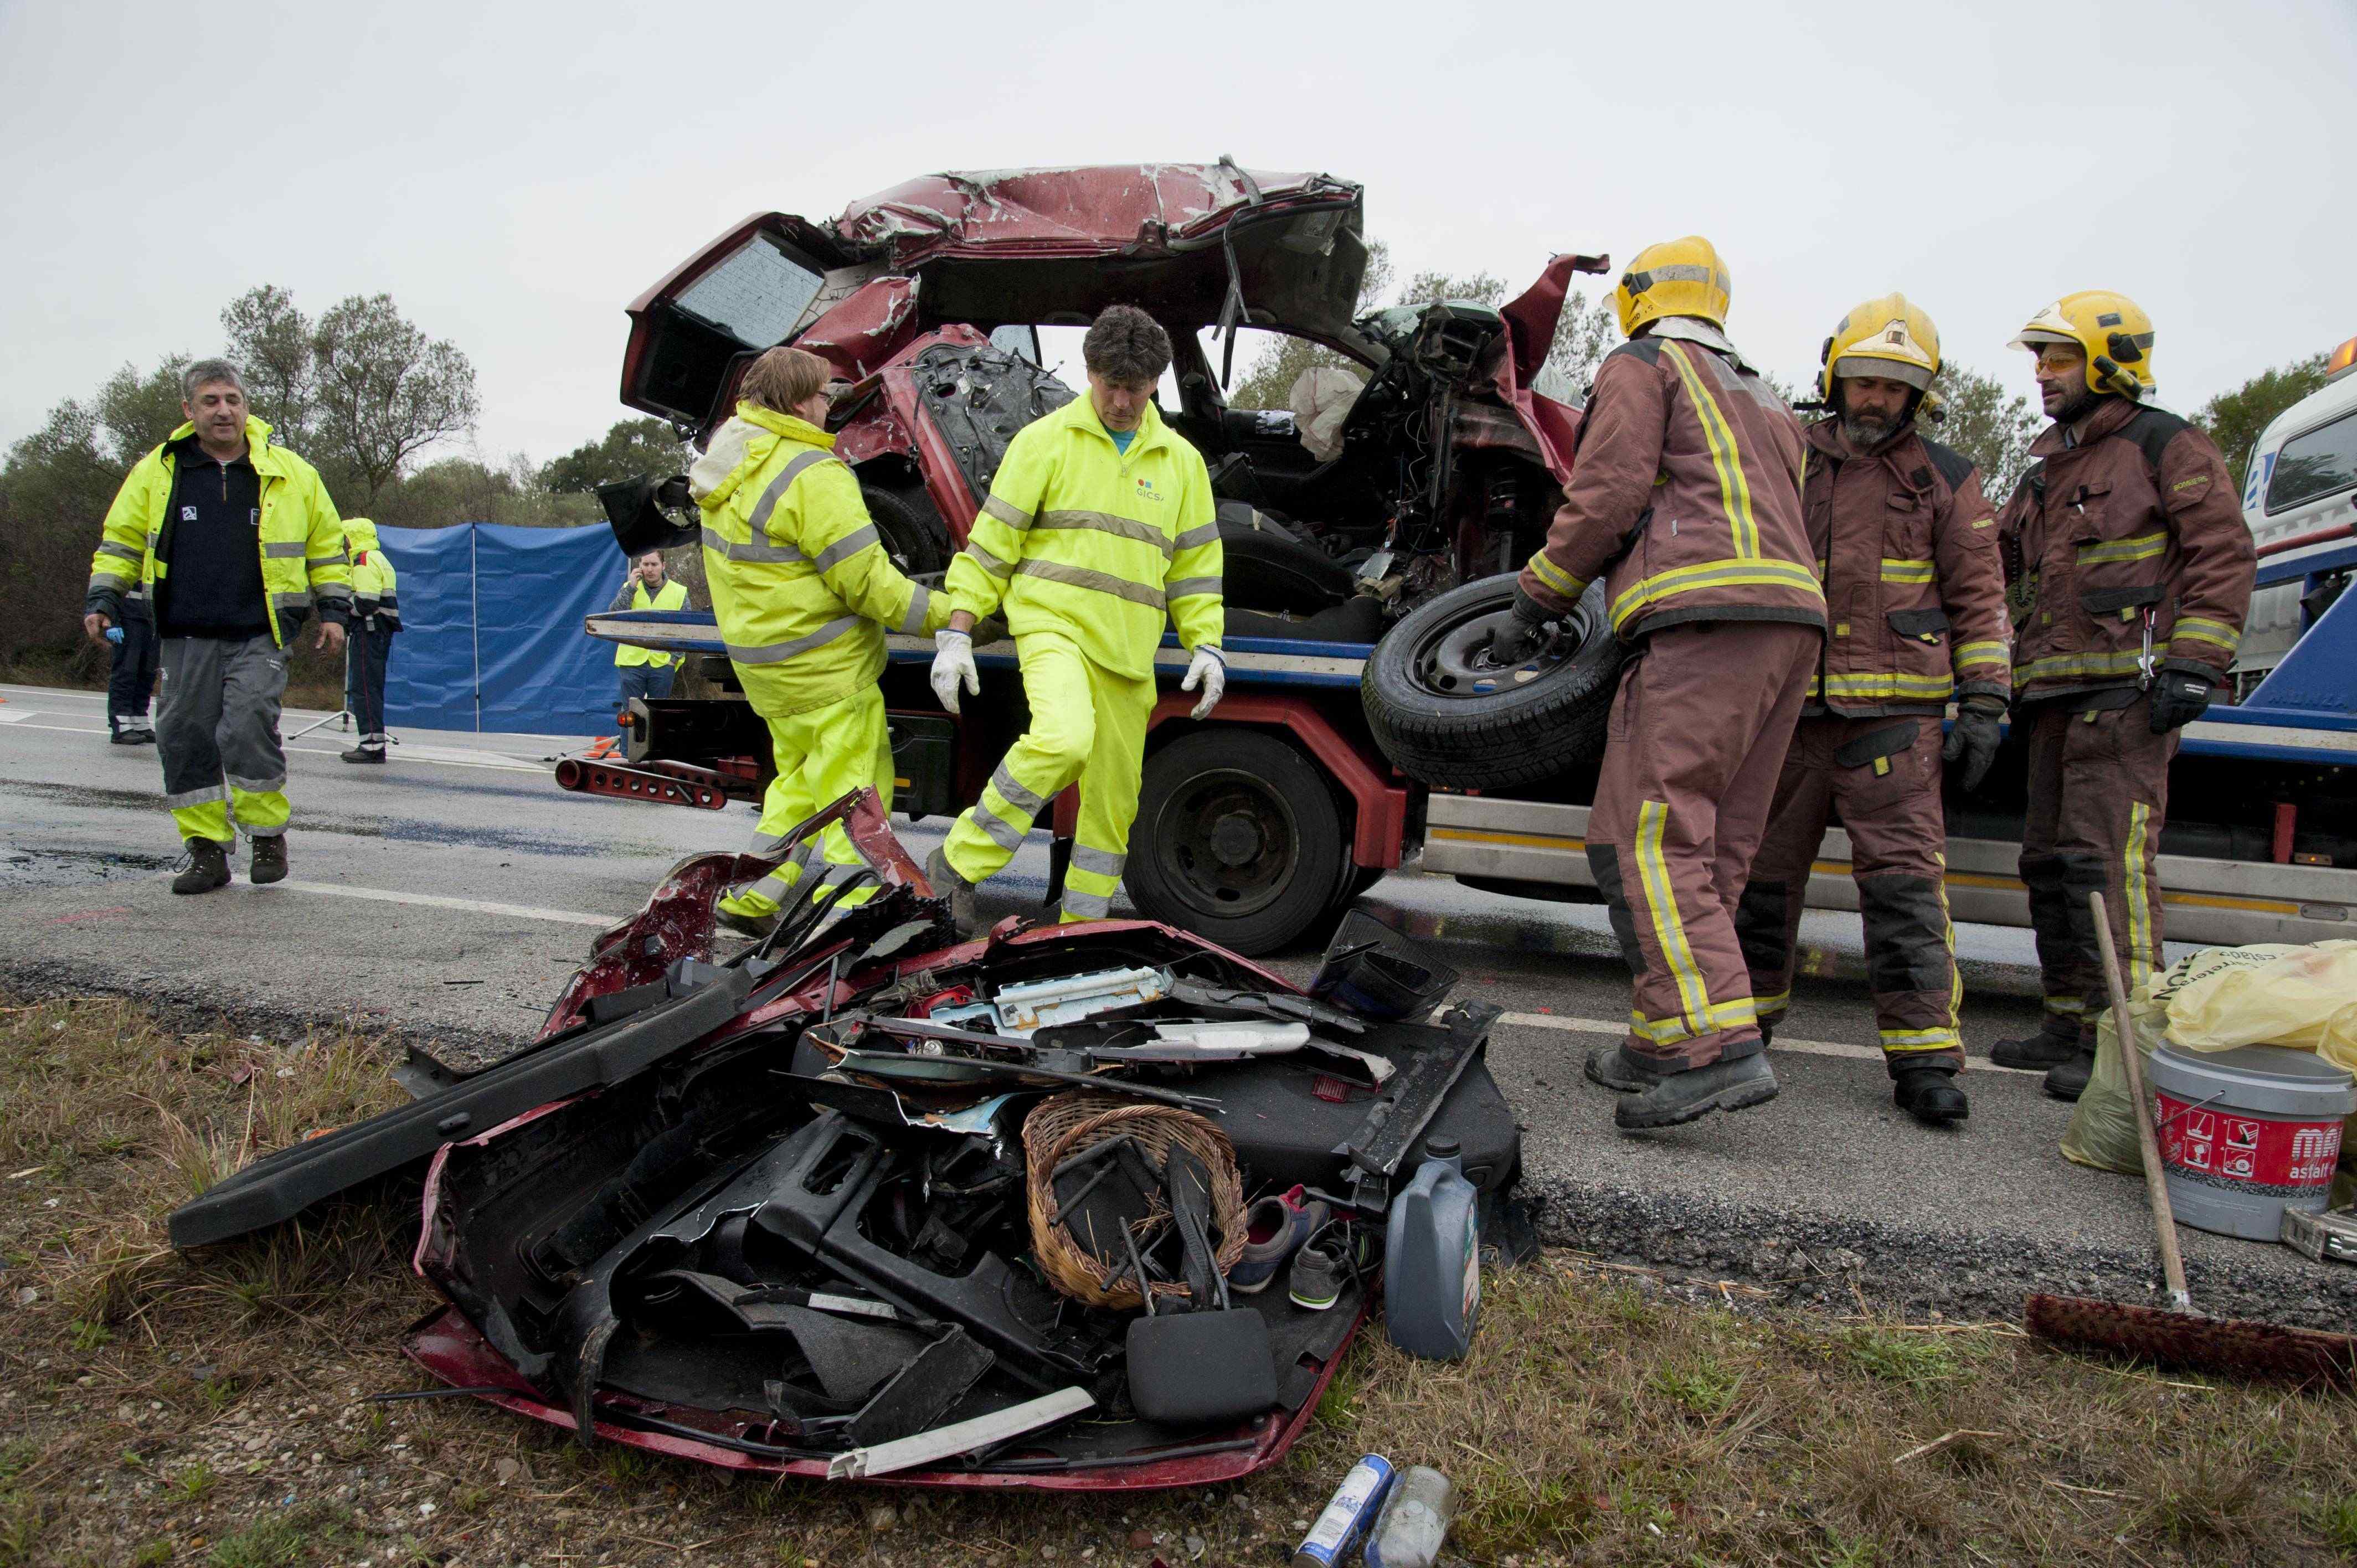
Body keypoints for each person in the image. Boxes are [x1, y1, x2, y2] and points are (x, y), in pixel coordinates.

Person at [1495, 236, 1824, 1131]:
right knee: (1709, 849)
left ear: (1639, 299)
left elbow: (1606, 492)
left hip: (1700, 619)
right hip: (1789, 627)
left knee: (1642, 838)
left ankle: (1719, 1049)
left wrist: (1540, 592)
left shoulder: (1644, 364)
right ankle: (1660, 1034)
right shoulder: (1764, 393)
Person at [1725, 296, 2011, 1127]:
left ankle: (1925, 1064)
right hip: (1787, 715)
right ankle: (1741, 1036)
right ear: (1834, 376)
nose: (1877, 397)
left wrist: (1986, 697)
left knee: (1904, 893)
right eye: (1864, 379)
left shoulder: (1947, 477)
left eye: (1896, 385)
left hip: (1897, 718)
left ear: (1919, 394)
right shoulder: (1788, 454)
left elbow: (1980, 595)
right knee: (1757, 888)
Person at [1990, 292, 2254, 1099]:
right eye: (2038, 358)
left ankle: (2125, 1045)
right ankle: (2068, 1021)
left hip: (2129, 694)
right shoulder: (2045, 472)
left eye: (2058, 357)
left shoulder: (2164, 445)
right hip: (2053, 696)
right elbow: (1995, 568)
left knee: (2109, 869)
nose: (2041, 373)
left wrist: (2195, 661)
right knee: (2050, 863)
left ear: (2109, 363)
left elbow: (2222, 550)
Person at [924, 305, 1226, 930]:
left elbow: (1195, 568)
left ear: (1154, 384)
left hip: (1128, 650)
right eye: (1109, 384)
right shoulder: (1044, 443)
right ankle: (957, 864)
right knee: (1062, 741)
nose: (1120, 400)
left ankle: (1080, 929)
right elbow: (991, 545)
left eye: (1135, 388)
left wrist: (1207, 644)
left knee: (1113, 804)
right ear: (1089, 372)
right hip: (1052, 626)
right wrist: (957, 630)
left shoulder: (1181, 463)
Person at [692, 346, 951, 934]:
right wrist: (953, 616)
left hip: (770, 670)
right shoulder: (813, 475)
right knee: (854, 804)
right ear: (798, 402)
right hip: (829, 670)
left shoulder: (730, 460)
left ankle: (751, 895)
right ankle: (841, 922)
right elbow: (871, 588)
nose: (827, 405)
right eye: (821, 395)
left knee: (798, 786)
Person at [83, 359, 350, 893]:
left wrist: (335, 612)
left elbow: (326, 545)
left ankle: (268, 834)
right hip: (185, 634)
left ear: (246, 405)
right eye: (210, 401)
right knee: (182, 735)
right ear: (189, 410)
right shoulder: (158, 471)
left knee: (248, 723)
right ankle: (206, 851)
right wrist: (103, 596)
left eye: (232, 399)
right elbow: (121, 540)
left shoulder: (293, 472)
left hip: (261, 630)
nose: (223, 410)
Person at [340, 518, 400, 764]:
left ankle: (371, 747)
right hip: (379, 632)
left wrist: (339, 611)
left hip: (369, 631)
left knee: (364, 688)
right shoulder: (379, 558)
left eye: (344, 539)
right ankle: (374, 743)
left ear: (353, 537)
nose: (342, 544)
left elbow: (365, 601)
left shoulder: (363, 560)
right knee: (372, 688)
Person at [610, 549, 688, 706]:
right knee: (630, 715)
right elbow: (614, 615)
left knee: (658, 714)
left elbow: (686, 630)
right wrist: (631, 587)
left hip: (663, 665)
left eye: (654, 564)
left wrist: (673, 660)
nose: (650, 569)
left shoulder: (679, 592)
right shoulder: (630, 587)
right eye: (646, 564)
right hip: (631, 664)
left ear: (663, 566)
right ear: (639, 566)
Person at [105, 581, 158, 745]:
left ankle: (139, 721)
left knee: (147, 674)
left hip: (151, 623)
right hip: (128, 623)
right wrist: (113, 623)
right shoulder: (127, 560)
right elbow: (109, 592)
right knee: (126, 673)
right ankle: (121, 727)